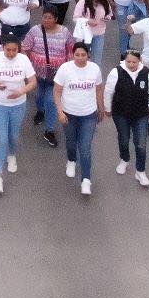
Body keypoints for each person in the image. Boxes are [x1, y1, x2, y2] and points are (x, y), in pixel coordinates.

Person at [0, 36, 37, 195]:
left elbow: (32, 82)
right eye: (8, 50)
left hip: (18, 104)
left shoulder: (24, 60)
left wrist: (21, 91)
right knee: (2, 138)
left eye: (15, 50)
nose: (12, 53)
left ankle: (12, 154)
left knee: (13, 136)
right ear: (2, 47)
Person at [54, 41, 105, 196]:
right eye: (77, 55)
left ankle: (86, 180)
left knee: (85, 147)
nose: (80, 58)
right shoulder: (65, 69)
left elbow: (98, 89)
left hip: (89, 114)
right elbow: (57, 91)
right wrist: (60, 111)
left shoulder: (95, 69)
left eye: (83, 55)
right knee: (71, 142)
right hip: (69, 113)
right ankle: (71, 160)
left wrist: (101, 108)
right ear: (72, 55)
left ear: (88, 55)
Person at [21, 8, 72, 148]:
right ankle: (40, 111)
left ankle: (49, 131)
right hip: (38, 73)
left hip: (57, 75)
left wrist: (68, 67)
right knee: (39, 96)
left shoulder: (64, 32)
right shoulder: (35, 31)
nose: (46, 20)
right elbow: (25, 47)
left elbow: (71, 49)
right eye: (44, 17)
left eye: (50, 18)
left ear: (56, 19)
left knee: (51, 101)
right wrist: (27, 64)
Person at [104, 49, 149, 186]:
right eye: (129, 61)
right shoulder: (116, 72)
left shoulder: (147, 73)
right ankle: (124, 158)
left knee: (141, 143)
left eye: (134, 62)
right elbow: (108, 92)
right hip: (121, 113)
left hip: (141, 114)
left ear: (139, 61)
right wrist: (107, 108)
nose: (131, 64)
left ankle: (140, 171)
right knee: (124, 138)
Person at [73, 0, 110, 66]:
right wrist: (87, 21)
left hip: (99, 35)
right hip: (85, 35)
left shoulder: (104, 2)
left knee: (97, 61)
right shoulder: (83, 2)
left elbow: (109, 14)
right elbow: (75, 18)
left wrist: (107, 18)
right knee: (82, 60)